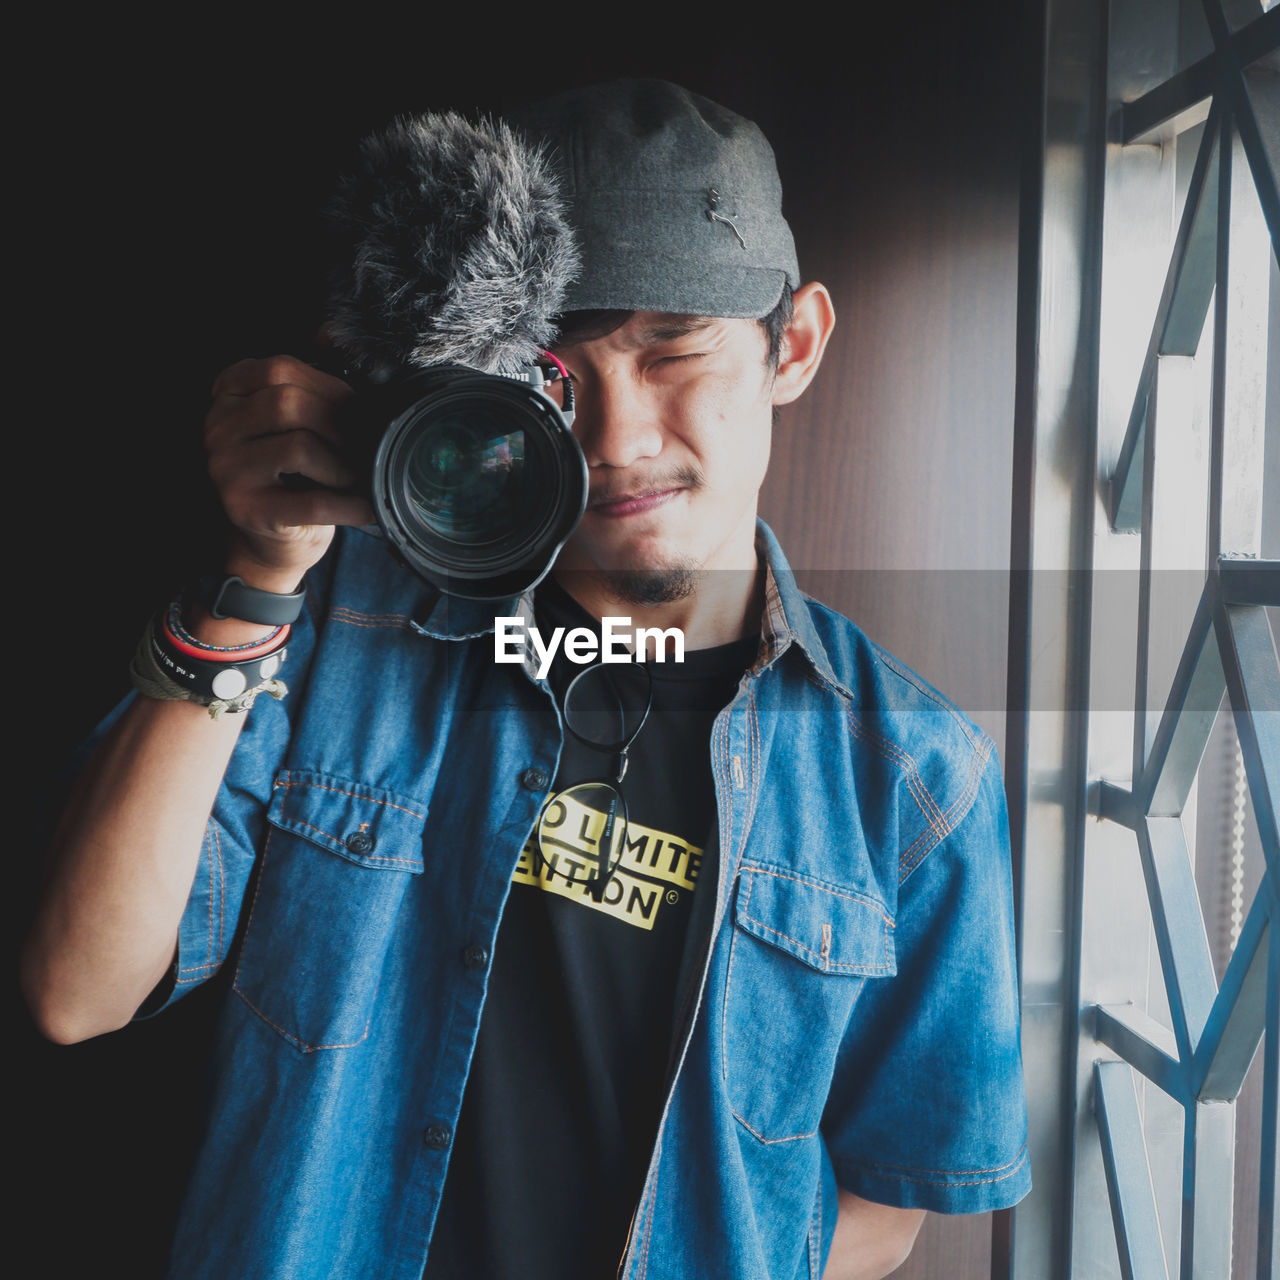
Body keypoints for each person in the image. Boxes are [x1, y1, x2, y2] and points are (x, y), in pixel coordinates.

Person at [20, 79, 1031, 1279]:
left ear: (791, 345)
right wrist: (253, 572)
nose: (615, 436)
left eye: (672, 352)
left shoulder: (914, 779)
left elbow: (889, 1195)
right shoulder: (344, 624)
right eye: (558, 376)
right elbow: (76, 989)